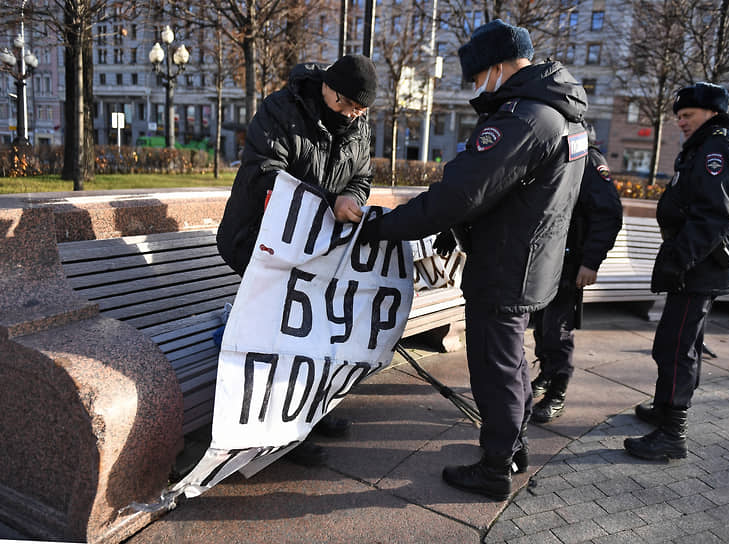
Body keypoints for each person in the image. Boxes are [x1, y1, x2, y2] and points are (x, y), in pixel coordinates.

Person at [359, 19, 588, 499]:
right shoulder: (564, 115)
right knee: (512, 362)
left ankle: (494, 468)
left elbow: (459, 193)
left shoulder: (525, 119)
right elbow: (511, 195)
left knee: (494, 367)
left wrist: (379, 227)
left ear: (498, 67)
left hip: (506, 268)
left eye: (477, 76)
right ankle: (514, 444)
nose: (476, 87)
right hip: (533, 262)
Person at [216, 54, 378, 466]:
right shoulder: (280, 110)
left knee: (318, 334)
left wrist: (353, 198)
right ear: (327, 86)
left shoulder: (360, 124)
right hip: (262, 240)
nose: (351, 114)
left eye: (360, 109)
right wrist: (329, 203)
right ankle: (282, 432)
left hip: (316, 248)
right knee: (278, 334)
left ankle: (311, 411)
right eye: (344, 104)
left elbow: (362, 175)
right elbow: (267, 174)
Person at [624, 82, 729, 461]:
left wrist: (679, 260)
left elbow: (715, 214)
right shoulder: (715, 142)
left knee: (678, 346)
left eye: (688, 115)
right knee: (677, 342)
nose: (680, 121)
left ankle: (671, 433)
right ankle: (666, 409)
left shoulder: (716, 146)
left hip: (698, 266)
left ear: (711, 112)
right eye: (678, 115)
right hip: (699, 262)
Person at [530, 123, 622, 423]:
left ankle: (557, 392)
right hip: (548, 262)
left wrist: (590, 262)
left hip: (569, 266)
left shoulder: (589, 162)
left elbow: (608, 214)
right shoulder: (561, 160)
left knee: (558, 330)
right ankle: (546, 374)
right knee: (543, 326)